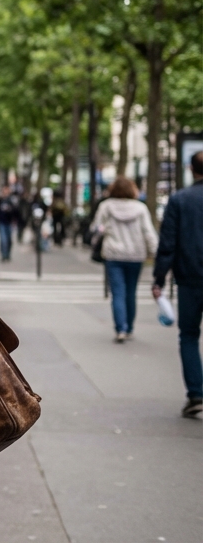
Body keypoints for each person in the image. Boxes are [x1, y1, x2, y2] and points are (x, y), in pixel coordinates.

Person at [151, 150, 203, 418]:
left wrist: (159, 278)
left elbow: (168, 244)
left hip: (191, 277)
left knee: (189, 335)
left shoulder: (180, 200)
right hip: (190, 276)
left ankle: (196, 393)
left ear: (190, 169)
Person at [92, 176, 157, 343]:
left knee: (118, 293)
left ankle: (120, 328)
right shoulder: (140, 208)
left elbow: (96, 228)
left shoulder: (106, 206)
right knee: (131, 292)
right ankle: (129, 328)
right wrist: (155, 253)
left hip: (113, 255)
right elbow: (148, 232)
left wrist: (103, 231)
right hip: (136, 255)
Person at [0, 187, 17, 261]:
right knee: (3, 239)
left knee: (9, 239)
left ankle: (8, 254)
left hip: (9, 222)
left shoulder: (11, 200)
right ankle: (3, 255)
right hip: (1, 222)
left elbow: (16, 211)